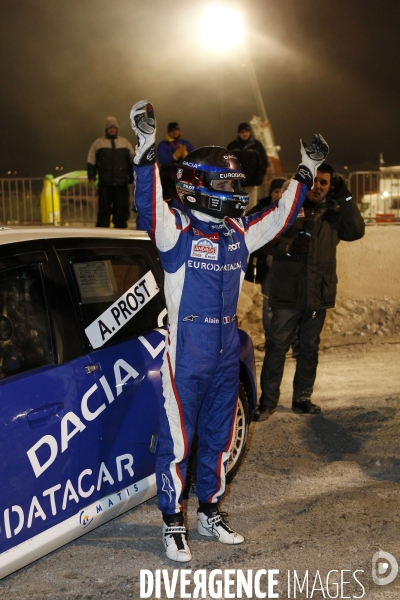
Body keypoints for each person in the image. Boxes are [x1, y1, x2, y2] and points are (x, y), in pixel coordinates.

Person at [130, 99, 328, 562]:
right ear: (197, 185)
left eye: (237, 183)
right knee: (178, 440)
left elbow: (279, 216)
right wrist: (144, 147)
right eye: (226, 183)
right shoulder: (175, 229)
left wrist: (306, 168)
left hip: (224, 351)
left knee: (219, 436)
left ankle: (210, 512)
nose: (235, 191)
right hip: (187, 353)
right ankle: (172, 522)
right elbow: (148, 203)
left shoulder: (239, 231)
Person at [256, 163, 365, 421]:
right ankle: (267, 402)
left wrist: (345, 195)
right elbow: (262, 239)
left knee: (308, 349)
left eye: (324, 184)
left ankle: (302, 399)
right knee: (277, 348)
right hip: (287, 295)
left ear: (330, 187)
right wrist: (289, 246)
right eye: (314, 182)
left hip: (317, 294)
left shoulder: (334, 214)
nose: (317, 187)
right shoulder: (287, 207)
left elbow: (357, 231)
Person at [245, 177, 288, 341]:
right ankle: (271, 341)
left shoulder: (292, 210)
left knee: (289, 306)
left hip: (289, 266)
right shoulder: (261, 209)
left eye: (282, 192)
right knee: (268, 305)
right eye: (276, 192)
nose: (279, 195)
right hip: (269, 265)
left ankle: (289, 340)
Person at [87, 116, 134, 229]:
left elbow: (132, 161)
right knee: (104, 208)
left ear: (117, 129)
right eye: (110, 128)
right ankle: (103, 228)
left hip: (121, 183)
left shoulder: (125, 143)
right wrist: (91, 176)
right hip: (105, 183)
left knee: (121, 207)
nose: (112, 130)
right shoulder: (98, 143)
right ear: (106, 129)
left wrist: (132, 177)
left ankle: (121, 227)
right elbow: (91, 161)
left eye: (114, 128)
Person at [227, 122, 268, 211]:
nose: (244, 134)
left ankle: (249, 225)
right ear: (239, 133)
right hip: (236, 184)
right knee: (236, 209)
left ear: (249, 132)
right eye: (242, 132)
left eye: (246, 131)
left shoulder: (257, 146)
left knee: (251, 209)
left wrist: (259, 177)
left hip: (252, 184)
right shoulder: (232, 146)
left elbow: (263, 163)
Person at [156, 122, 194, 200]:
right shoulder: (163, 144)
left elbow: (194, 158)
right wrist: (174, 156)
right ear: (169, 132)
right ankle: (167, 198)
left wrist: (185, 155)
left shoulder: (185, 143)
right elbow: (162, 160)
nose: (175, 132)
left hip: (183, 170)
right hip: (168, 172)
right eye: (172, 130)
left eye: (176, 130)